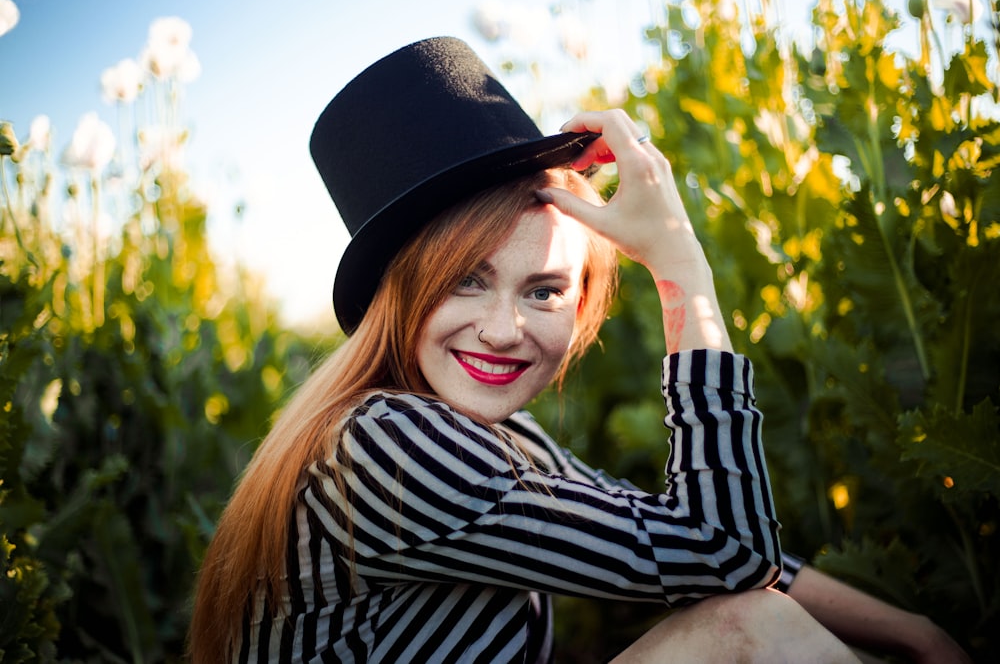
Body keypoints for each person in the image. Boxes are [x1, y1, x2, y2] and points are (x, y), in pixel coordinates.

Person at [188, 37, 967, 663]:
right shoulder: (388, 444)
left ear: (584, 303)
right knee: (748, 630)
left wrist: (913, 630)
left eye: (544, 290)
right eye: (467, 281)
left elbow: (686, 537)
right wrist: (681, 269)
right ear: (402, 296)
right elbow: (729, 551)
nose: (503, 328)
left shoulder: (501, 439)